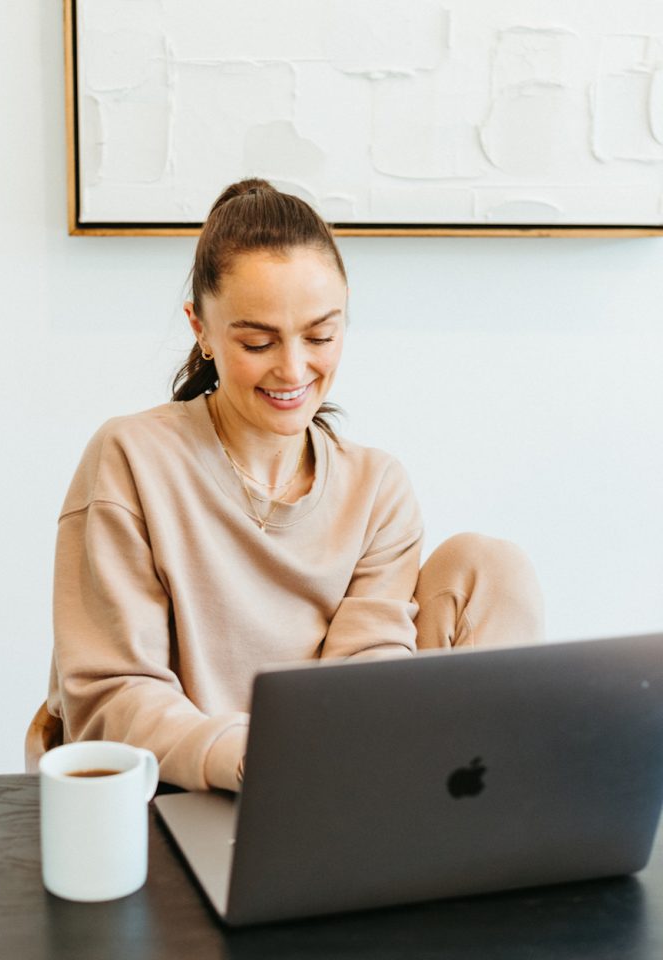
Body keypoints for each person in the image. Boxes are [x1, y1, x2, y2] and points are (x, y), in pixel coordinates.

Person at [39, 178, 544, 792]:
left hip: (330, 784)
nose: (293, 369)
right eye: (258, 342)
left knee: (488, 565)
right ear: (200, 328)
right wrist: (258, 758)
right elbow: (112, 694)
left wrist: (354, 755)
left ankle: (480, 812)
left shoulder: (376, 486)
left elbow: (367, 671)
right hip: (189, 788)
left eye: (320, 336)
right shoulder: (133, 458)